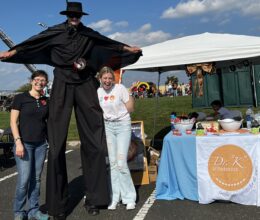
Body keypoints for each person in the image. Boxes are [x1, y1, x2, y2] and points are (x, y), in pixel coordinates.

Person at [0, 2, 142, 219]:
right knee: (56, 147)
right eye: (72, 15)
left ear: (80, 16)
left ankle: (96, 199)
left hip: (86, 84)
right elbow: (33, 43)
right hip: (62, 84)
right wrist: (13, 52)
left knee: (94, 143)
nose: (74, 17)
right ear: (67, 15)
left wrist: (127, 48)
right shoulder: (54, 32)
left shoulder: (88, 33)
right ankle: (58, 206)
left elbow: (108, 43)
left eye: (77, 15)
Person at [10, 70, 49, 220]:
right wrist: (18, 142)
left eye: (43, 80)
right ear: (32, 80)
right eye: (37, 79)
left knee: (36, 179)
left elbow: (49, 121)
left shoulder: (46, 100)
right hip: (24, 144)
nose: (40, 82)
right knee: (24, 180)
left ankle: (34, 210)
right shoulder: (21, 98)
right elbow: (13, 122)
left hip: (40, 145)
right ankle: (19, 212)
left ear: (46, 83)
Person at [97, 66, 136, 211]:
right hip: (108, 127)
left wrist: (130, 96)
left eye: (110, 78)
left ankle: (129, 197)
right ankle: (115, 197)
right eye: (105, 78)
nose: (107, 81)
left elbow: (131, 107)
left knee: (121, 163)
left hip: (122, 126)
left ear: (113, 79)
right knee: (112, 164)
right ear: (100, 79)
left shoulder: (120, 88)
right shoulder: (98, 91)